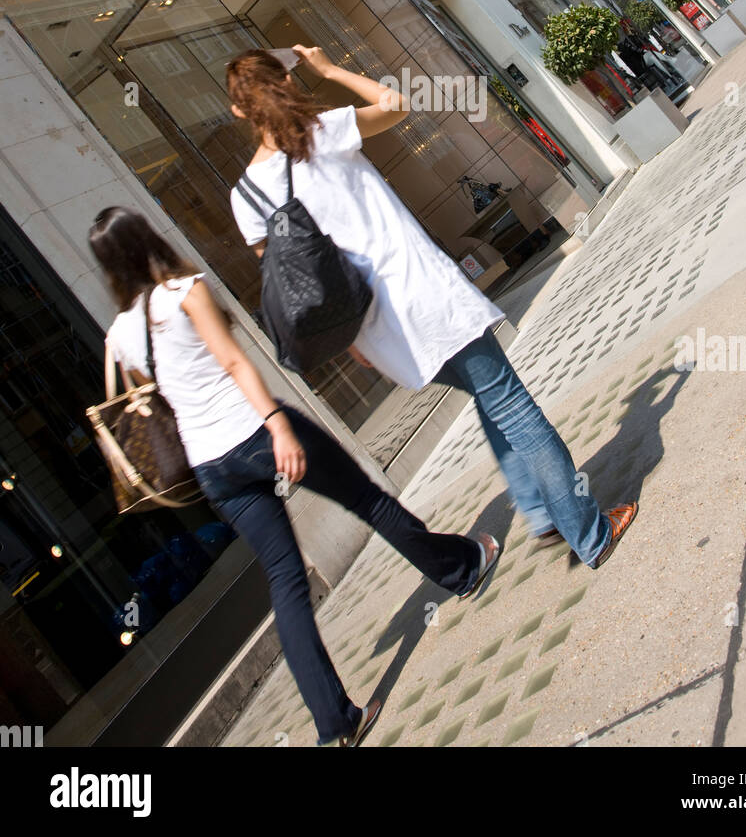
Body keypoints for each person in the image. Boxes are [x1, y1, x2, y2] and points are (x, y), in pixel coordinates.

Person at [89, 206, 500, 748]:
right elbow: (235, 363)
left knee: (285, 579)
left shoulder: (118, 337)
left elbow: (159, 402)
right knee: (368, 502)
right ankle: (461, 567)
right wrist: (278, 424)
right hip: (255, 429)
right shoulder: (186, 292)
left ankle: (336, 722)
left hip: (213, 469)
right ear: (146, 240)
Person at [226, 46, 638, 569]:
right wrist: (329, 69)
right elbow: (396, 103)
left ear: (240, 111)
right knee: (513, 406)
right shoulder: (324, 132)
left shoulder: (246, 196)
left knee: (489, 397)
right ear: (285, 81)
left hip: (376, 328)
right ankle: (590, 533)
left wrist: (350, 339)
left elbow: (290, 280)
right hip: (426, 296)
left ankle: (540, 512)